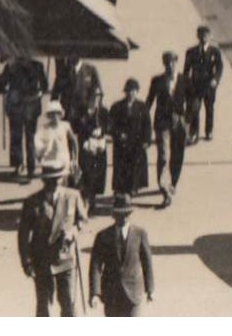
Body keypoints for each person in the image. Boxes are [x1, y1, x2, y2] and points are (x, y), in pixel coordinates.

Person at [17, 162, 88, 316]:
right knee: (44, 305)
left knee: (68, 304)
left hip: (66, 260)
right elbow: (23, 235)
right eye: (50, 180)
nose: (54, 183)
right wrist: (26, 262)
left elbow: (82, 219)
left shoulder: (72, 196)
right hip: (42, 261)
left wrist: (73, 231)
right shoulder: (32, 202)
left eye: (57, 179)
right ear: (44, 180)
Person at [88, 195, 154, 317]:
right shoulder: (103, 236)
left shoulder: (140, 234)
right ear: (113, 215)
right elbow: (95, 266)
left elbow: (147, 262)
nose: (123, 218)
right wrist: (95, 293)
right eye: (119, 214)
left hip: (134, 293)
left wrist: (150, 289)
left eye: (126, 214)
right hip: (111, 294)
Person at [147, 52, 189, 208]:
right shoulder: (157, 81)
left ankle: (173, 183)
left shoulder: (185, 80)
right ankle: (165, 190)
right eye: (167, 63)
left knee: (177, 154)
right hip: (162, 122)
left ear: (177, 63)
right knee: (164, 155)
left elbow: (193, 101)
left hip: (179, 122)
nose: (170, 66)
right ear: (164, 64)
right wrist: (143, 121)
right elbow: (149, 101)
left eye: (172, 63)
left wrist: (189, 120)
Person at [0, 54, 48, 179]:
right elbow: (1, 86)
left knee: (30, 138)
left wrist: (36, 95)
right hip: (16, 107)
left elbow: (44, 86)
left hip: (30, 107)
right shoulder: (10, 67)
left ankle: (31, 167)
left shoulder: (37, 66)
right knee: (16, 138)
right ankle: (18, 165)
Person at [107, 78, 151, 198]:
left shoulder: (142, 107)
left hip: (136, 143)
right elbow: (110, 125)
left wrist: (147, 140)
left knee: (135, 167)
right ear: (125, 92)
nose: (131, 93)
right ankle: (119, 190)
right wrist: (118, 134)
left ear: (137, 92)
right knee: (121, 168)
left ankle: (133, 188)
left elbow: (147, 125)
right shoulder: (117, 107)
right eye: (129, 90)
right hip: (122, 144)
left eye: (134, 90)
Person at [183, 25, 225, 142]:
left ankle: (209, 131)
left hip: (209, 85)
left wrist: (215, 79)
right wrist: (186, 84)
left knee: (209, 108)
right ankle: (194, 132)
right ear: (197, 36)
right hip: (196, 85)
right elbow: (186, 69)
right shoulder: (191, 52)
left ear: (210, 37)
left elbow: (220, 67)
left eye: (206, 35)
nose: (203, 38)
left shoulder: (214, 51)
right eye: (201, 35)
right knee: (195, 108)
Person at [72, 88, 112, 211]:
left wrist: (103, 130)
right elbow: (75, 127)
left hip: (100, 145)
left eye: (99, 96)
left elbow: (109, 126)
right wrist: (88, 129)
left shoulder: (103, 111)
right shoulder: (81, 111)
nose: (96, 99)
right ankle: (86, 199)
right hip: (86, 145)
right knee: (87, 172)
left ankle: (93, 198)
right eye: (94, 96)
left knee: (98, 173)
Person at [33, 100, 78, 186]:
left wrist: (75, 159)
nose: (55, 116)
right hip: (50, 162)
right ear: (49, 116)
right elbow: (37, 143)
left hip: (64, 161)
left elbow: (74, 141)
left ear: (61, 114)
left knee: (64, 184)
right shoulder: (45, 128)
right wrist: (40, 154)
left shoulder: (65, 126)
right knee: (50, 185)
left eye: (57, 113)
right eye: (52, 114)